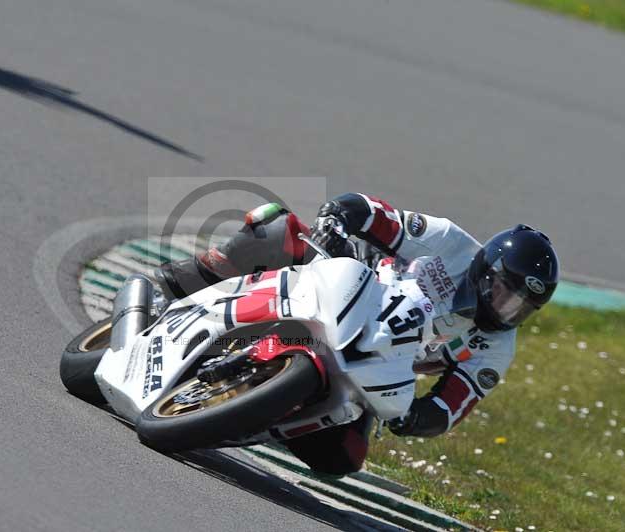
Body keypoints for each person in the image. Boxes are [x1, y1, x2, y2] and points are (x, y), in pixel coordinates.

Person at [154, 193, 559, 475]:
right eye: (504, 291)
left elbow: (453, 405)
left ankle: (254, 411)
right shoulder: (451, 242)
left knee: (342, 458)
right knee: (274, 227)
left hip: (373, 363)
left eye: (521, 305)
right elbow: (375, 214)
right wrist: (339, 219)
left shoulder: (496, 348)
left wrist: (418, 419)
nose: (507, 308)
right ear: (485, 269)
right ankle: (176, 288)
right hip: (350, 282)